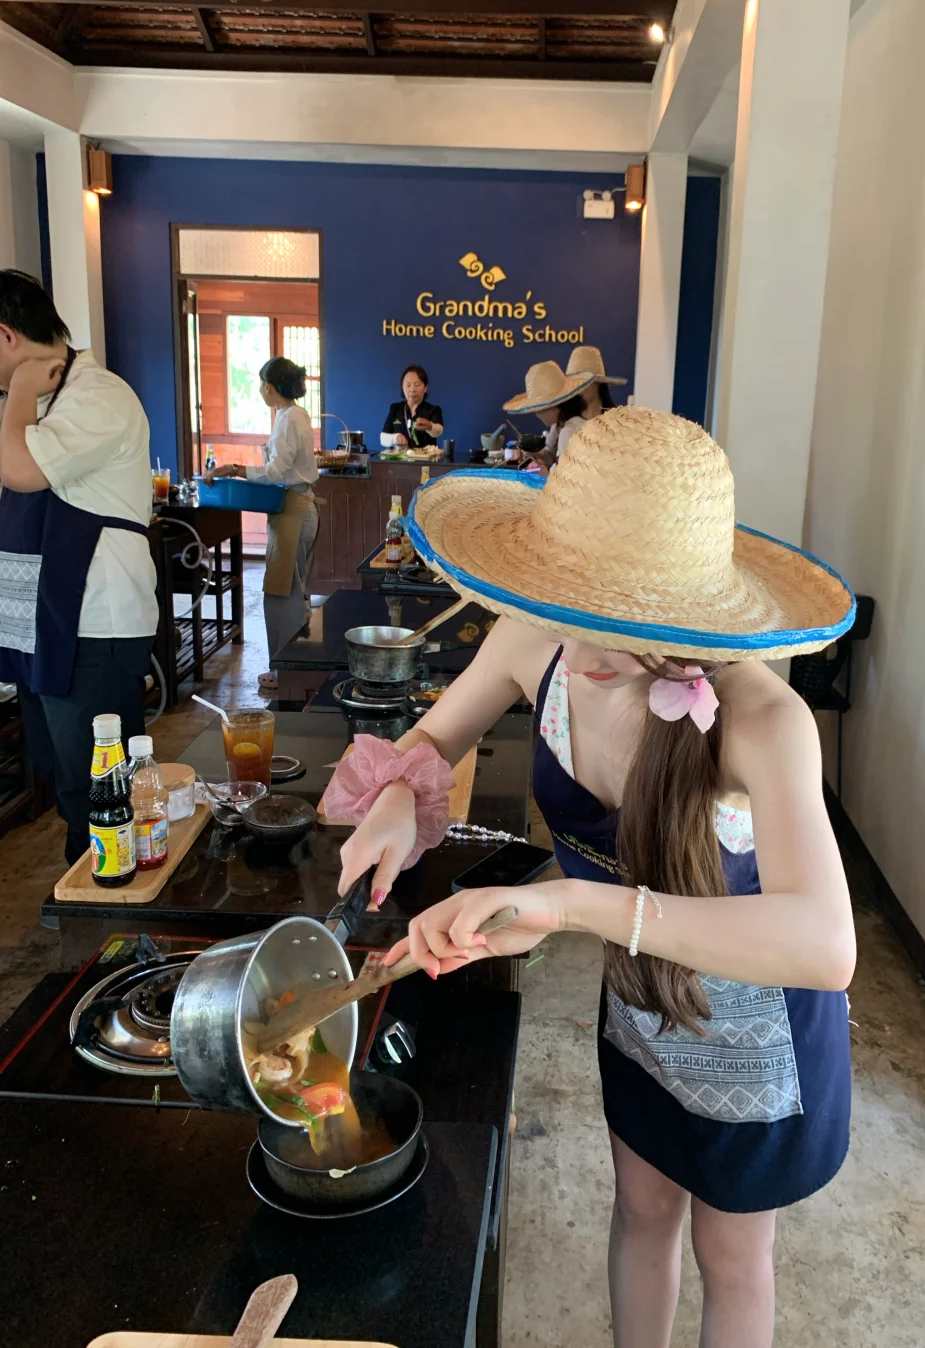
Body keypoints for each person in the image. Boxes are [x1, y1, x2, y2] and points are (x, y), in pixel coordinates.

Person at [328, 408, 857, 1348]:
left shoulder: (762, 719)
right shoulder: (537, 640)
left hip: (755, 1030)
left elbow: (824, 945)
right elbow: (434, 736)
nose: (581, 645)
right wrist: (401, 795)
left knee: (732, 1258)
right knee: (641, 1211)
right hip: (640, 1001)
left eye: (617, 617)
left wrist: (569, 904)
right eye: (568, 603)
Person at [0, 271, 157, 864]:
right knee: (65, 780)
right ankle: (93, 898)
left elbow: (21, 471)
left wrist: (18, 391)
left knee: (102, 794)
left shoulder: (98, 395)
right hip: (45, 622)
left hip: (94, 626)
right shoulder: (47, 400)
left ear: (6, 336)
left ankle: (111, 907)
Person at [205, 357, 318, 692]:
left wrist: (234, 469)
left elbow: (278, 471)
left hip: (294, 510)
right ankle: (289, 667)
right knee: (289, 591)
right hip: (296, 507)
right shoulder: (292, 414)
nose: (259, 390)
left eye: (260, 384)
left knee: (282, 594)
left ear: (269, 386)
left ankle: (286, 671)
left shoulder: (290, 417)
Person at [503, 359, 596, 469]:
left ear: (554, 406)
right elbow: (551, 456)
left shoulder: (569, 432)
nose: (537, 414)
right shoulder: (559, 426)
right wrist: (533, 454)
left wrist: (542, 472)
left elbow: (561, 474)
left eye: (539, 408)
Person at [380, 365, 443, 449]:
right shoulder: (395, 408)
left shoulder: (433, 410)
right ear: (402, 387)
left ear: (425, 388)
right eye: (408, 385)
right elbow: (383, 438)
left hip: (425, 457)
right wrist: (395, 438)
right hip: (400, 457)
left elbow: (438, 431)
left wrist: (430, 426)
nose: (412, 389)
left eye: (417, 385)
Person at [565, 344, 626, 419]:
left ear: (597, 383)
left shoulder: (617, 419)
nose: (577, 389)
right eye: (573, 383)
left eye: (583, 382)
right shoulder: (564, 421)